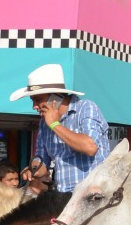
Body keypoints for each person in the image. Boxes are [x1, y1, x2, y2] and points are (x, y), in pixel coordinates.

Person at [10, 63, 110, 194]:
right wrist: (33, 169)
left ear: (56, 97)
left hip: (94, 197)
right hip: (63, 197)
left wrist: (55, 124)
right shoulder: (44, 123)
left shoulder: (86, 108)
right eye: (32, 100)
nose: (34, 106)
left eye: (38, 99)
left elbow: (90, 147)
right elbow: (42, 161)